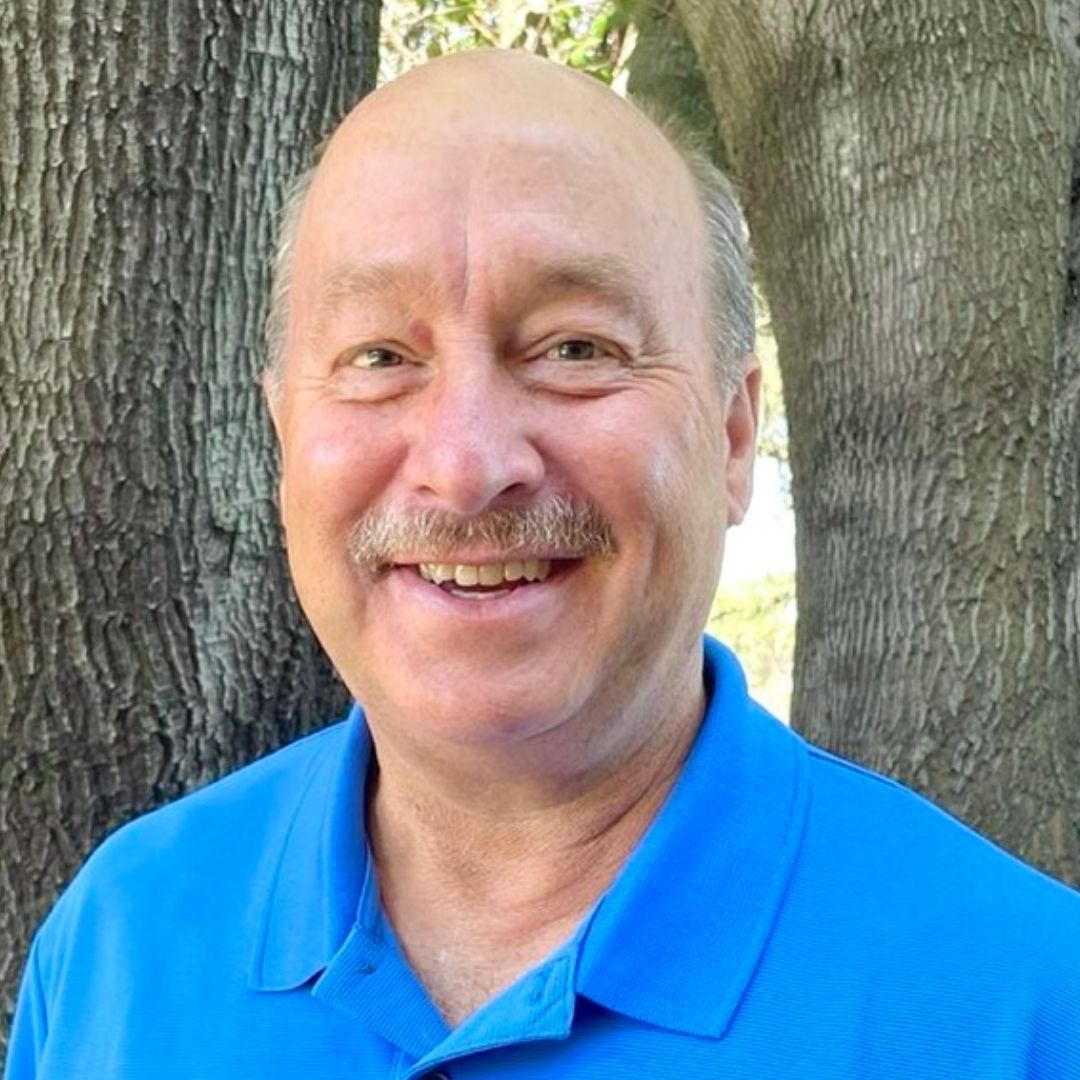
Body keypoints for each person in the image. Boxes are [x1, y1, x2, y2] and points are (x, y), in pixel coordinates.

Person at [5, 47, 1080, 1079]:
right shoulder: (119, 946)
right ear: (285, 434)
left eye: (576, 350)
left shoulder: (1026, 1007)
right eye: (380, 357)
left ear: (734, 436)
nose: (466, 467)